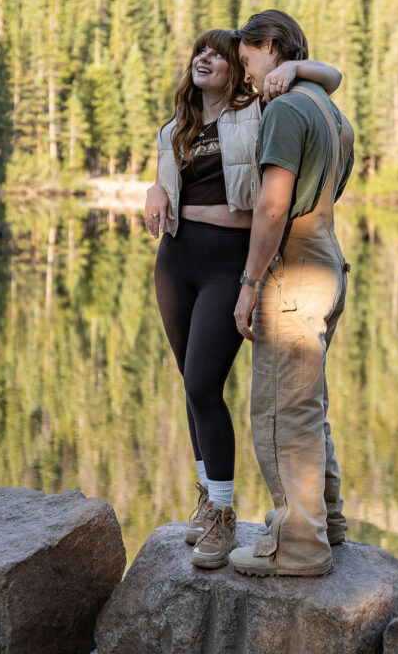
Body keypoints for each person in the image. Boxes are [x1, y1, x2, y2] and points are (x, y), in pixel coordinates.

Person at [144, 28, 342, 570]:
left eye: (217, 53)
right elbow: (168, 183)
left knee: (206, 383)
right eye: (198, 52)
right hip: (175, 260)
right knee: (191, 382)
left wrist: (294, 70)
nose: (204, 58)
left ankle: (225, 516)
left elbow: (333, 79)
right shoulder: (174, 128)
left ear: (237, 68)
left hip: (228, 262)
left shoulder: (257, 111)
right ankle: (209, 497)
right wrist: (154, 188)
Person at [228, 9, 354, 578]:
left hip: (295, 267)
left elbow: (274, 205)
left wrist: (250, 283)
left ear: (271, 45)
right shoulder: (330, 110)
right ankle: (326, 520)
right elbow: (331, 76)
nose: (245, 72)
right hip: (329, 260)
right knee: (308, 405)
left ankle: (300, 544)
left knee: (280, 409)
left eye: (247, 57)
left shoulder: (284, 109)